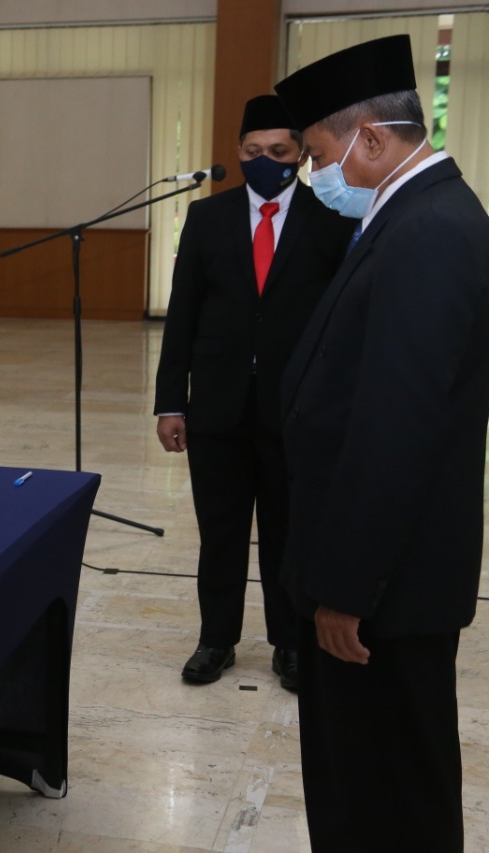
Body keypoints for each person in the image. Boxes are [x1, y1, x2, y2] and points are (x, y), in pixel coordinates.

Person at [274, 34, 489, 850]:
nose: (313, 173)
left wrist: (346, 589)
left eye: (316, 153)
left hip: (383, 593)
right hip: (379, 574)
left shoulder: (429, 230)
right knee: (362, 778)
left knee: (387, 791)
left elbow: (396, 429)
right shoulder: (411, 215)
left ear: (368, 139)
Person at [155, 95, 355, 690]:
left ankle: (289, 642)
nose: (264, 160)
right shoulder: (206, 218)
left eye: (278, 151)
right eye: (252, 151)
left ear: (300, 155)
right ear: (238, 153)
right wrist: (171, 402)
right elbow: (183, 315)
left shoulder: (331, 219)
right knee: (219, 531)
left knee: (287, 533)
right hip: (217, 407)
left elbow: (342, 322)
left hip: (295, 409)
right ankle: (216, 640)